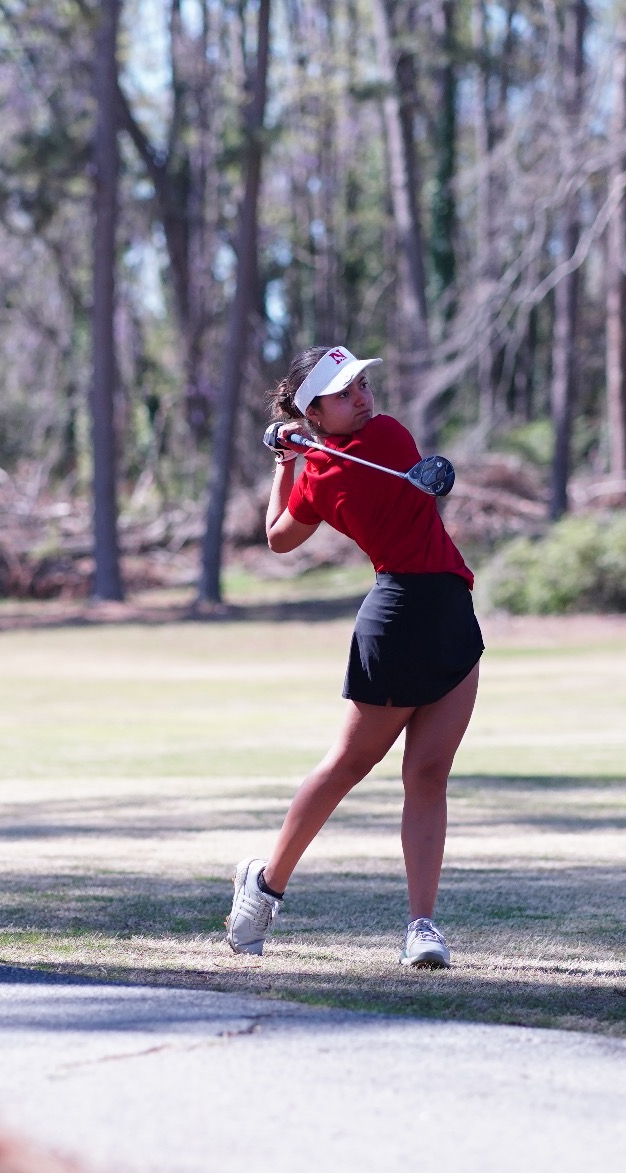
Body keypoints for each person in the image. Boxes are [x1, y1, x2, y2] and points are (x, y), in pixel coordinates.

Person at [225, 345, 483, 969]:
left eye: (363, 384)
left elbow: (350, 484)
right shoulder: (316, 472)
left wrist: (298, 453)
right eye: (345, 393)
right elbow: (278, 538)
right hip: (394, 617)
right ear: (314, 409)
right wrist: (286, 464)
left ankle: (422, 926)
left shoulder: (390, 436)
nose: (363, 397)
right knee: (347, 765)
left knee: (428, 774)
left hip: (450, 612)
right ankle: (264, 885)